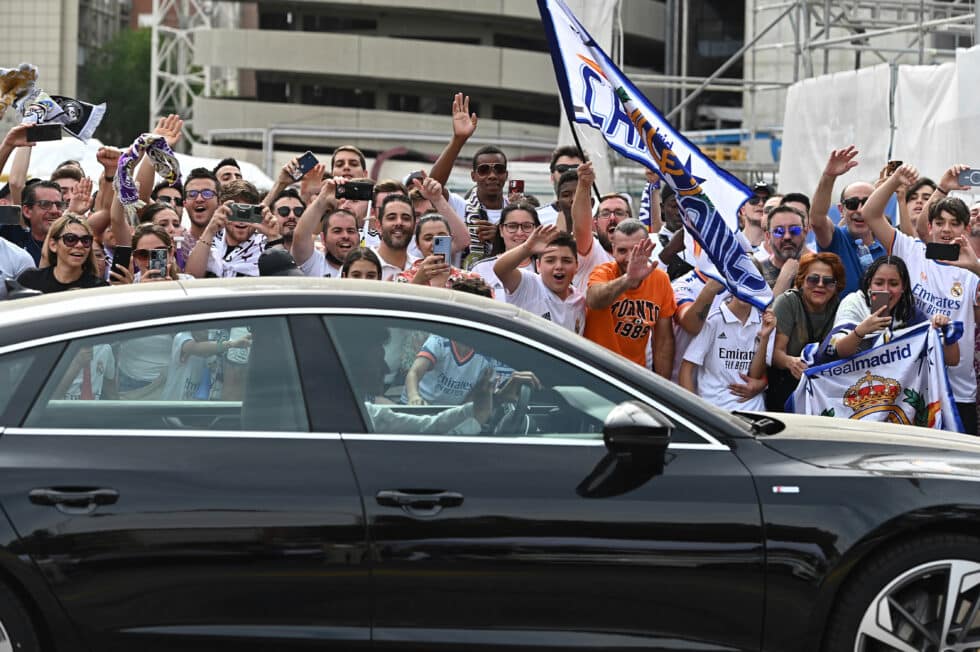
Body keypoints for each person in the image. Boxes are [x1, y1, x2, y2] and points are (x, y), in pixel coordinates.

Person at [862, 164, 980, 434]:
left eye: (954, 223)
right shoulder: (912, 252)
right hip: (914, 383)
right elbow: (870, 213)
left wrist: (975, 268)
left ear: (966, 227)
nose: (946, 230)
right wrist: (895, 181)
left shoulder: (973, 269)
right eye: (940, 223)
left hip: (959, 388)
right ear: (929, 226)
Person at [817, 255, 958, 365]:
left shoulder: (908, 312)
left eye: (894, 283)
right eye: (879, 283)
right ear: (869, 285)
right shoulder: (854, 302)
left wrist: (948, 332)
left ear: (903, 288)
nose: (885, 290)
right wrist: (860, 331)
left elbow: (952, 360)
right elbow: (836, 351)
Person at [584, 219, 676, 376]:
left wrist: (662, 387)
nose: (628, 258)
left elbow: (663, 342)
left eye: (635, 250)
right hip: (596, 372)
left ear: (648, 248)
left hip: (633, 376)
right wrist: (628, 279)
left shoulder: (660, 279)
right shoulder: (603, 272)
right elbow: (594, 301)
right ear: (612, 250)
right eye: (622, 251)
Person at [428, 93, 510, 267]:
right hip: (462, 289)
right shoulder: (460, 206)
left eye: (499, 169)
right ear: (473, 176)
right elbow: (433, 186)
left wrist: (500, 237)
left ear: (506, 175)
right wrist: (458, 140)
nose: (492, 175)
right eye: (484, 170)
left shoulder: (515, 214)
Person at [767, 252, 845, 411]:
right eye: (813, 279)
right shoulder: (788, 302)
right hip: (787, 387)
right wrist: (791, 362)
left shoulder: (840, 307)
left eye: (829, 281)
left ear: (837, 286)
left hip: (825, 390)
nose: (820, 285)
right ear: (801, 281)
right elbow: (774, 353)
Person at [809, 146, 887, 296]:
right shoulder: (836, 239)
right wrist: (828, 176)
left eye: (867, 203)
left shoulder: (889, 242)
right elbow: (817, 220)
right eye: (852, 204)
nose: (860, 209)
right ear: (841, 210)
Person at [680, 294, 774, 411]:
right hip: (715, 410)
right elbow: (686, 368)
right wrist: (694, 411)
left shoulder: (765, 322)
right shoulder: (713, 319)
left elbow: (755, 375)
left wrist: (764, 338)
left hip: (753, 409)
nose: (744, 291)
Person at [494, 224, 585, 333]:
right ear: (538, 265)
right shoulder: (528, 284)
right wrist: (527, 249)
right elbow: (500, 270)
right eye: (550, 260)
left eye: (566, 261)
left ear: (576, 266)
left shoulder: (580, 301)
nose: (559, 266)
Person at [185, 180, 271, 278]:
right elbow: (190, 278)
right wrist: (210, 231)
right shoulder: (210, 243)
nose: (241, 221)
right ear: (222, 210)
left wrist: (274, 237)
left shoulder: (266, 247)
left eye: (246, 214)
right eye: (235, 213)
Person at [16, 215, 108, 293]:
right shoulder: (30, 280)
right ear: (53, 245)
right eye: (70, 239)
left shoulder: (98, 289)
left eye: (85, 240)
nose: (80, 245)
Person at [469, 203, 540, 301]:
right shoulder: (481, 269)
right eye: (512, 226)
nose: (519, 233)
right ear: (501, 230)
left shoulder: (546, 267)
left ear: (536, 229)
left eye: (527, 226)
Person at [396, 214, 482, 288]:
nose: (434, 243)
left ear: (450, 240)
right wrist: (418, 281)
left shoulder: (469, 279)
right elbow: (398, 306)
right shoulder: (403, 279)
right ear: (418, 245)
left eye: (441, 237)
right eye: (428, 238)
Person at [1, 180, 65, 265]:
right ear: (27, 211)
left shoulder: (73, 243)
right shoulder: (12, 235)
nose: (55, 211)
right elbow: (16, 182)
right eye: (45, 204)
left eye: (59, 205)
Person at [373, 194, 418, 280]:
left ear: (414, 226)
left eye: (406, 218)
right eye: (391, 218)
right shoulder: (359, 265)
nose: (399, 223)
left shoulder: (421, 268)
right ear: (378, 225)